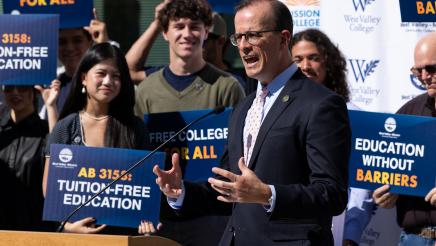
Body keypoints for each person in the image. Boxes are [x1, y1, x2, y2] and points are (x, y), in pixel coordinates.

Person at [153, 1, 351, 245]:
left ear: (283, 38)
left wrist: (268, 194)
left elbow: (332, 194)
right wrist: (181, 191)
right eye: (239, 37)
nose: (244, 46)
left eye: (254, 36)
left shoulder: (320, 104)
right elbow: (229, 187)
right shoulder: (243, 108)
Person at [133, 1, 245, 245]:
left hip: (212, 215)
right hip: (161, 215)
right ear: (165, 33)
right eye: (179, 26)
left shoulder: (228, 87)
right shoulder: (146, 91)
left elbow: (239, 155)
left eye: (195, 26)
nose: (187, 33)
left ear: (206, 31)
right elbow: (138, 156)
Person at [42, 43, 149, 235]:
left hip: (122, 236)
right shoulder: (65, 127)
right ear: (83, 78)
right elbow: (50, 189)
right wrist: (68, 228)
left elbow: (145, 187)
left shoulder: (135, 128)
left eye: (116, 76)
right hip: (75, 236)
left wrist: (145, 221)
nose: (108, 81)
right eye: (101, 73)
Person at [291, 28, 374, 246]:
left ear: (329, 63)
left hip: (335, 230)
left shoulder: (352, 115)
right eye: (297, 59)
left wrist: (350, 233)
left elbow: (360, 184)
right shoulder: (276, 112)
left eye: (313, 58)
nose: (305, 66)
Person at [373, 32, 436, 245]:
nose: (425, 76)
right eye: (418, 70)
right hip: (413, 238)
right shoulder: (408, 114)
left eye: (432, 68)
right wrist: (387, 195)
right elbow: (391, 171)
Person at [0, 82, 58, 231]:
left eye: (23, 88)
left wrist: (51, 106)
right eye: (9, 88)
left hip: (33, 226)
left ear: (35, 92)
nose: (15, 93)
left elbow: (60, 162)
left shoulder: (46, 131)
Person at [39, 9, 111, 119]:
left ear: (91, 41)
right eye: (62, 42)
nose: (70, 48)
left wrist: (104, 46)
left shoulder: (106, 82)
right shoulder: (50, 87)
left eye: (77, 40)